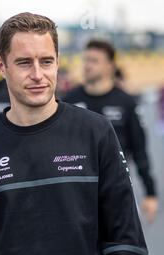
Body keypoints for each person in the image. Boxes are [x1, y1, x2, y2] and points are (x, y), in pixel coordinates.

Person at [0, 12, 148, 255]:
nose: (38, 75)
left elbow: (125, 240)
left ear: (57, 62)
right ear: (1, 66)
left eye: (46, 61)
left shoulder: (95, 132)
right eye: (23, 63)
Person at [64, 40, 158, 223]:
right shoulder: (69, 101)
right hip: (76, 192)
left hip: (116, 189)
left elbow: (140, 150)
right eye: (86, 60)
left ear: (110, 66)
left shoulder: (126, 102)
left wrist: (150, 193)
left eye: (94, 61)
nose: (87, 65)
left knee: (123, 248)